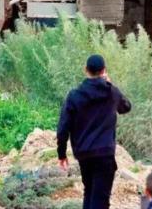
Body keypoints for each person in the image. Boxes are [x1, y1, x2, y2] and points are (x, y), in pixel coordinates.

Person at [56, 55, 132, 209]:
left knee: (89, 192)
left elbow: (63, 127)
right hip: (104, 153)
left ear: (86, 70)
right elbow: (126, 107)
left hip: (84, 153)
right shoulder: (111, 92)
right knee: (100, 200)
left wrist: (61, 154)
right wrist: (110, 84)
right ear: (103, 70)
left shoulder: (74, 95)